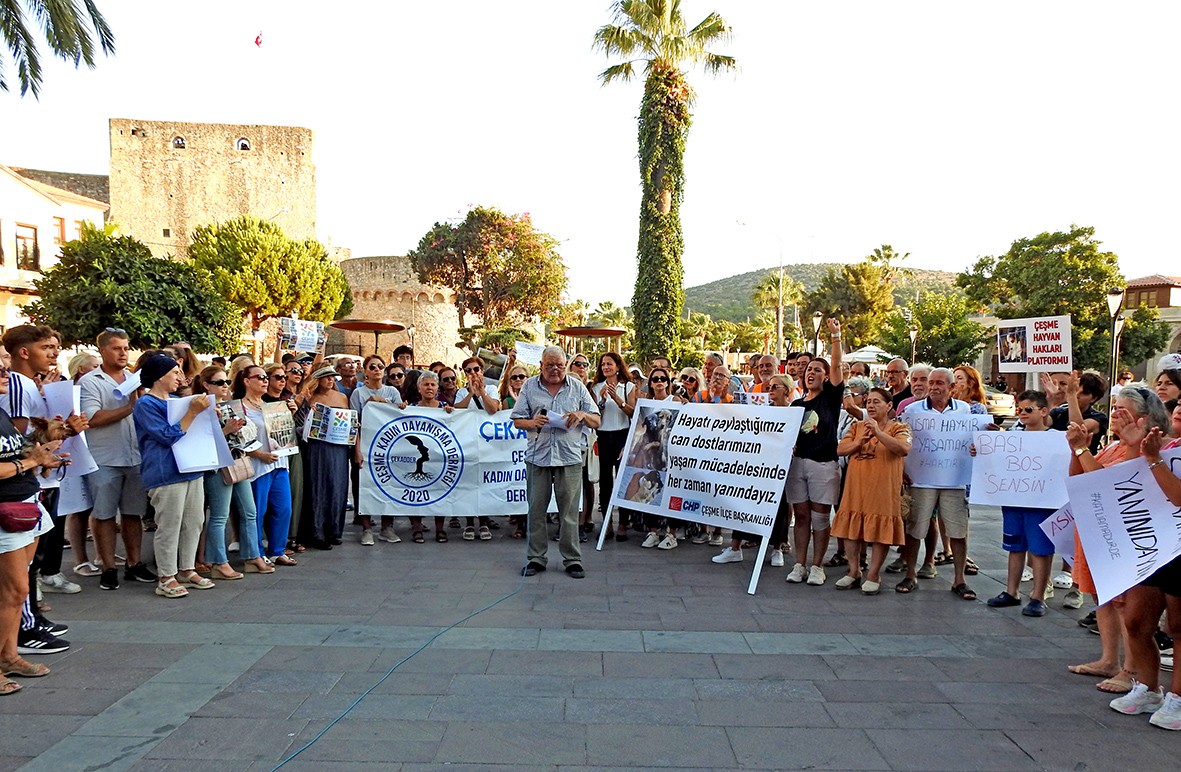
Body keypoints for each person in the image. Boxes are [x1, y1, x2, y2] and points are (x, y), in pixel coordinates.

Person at [1066, 385, 1170, 694]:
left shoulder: (1146, 447)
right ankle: (1109, 658)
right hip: (1101, 533)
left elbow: (1109, 483)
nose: (1115, 415)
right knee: (1105, 598)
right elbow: (1080, 478)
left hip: (1127, 537)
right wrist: (1078, 449)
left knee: (1128, 606)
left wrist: (1083, 451)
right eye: (1115, 409)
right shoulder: (1113, 445)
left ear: (1144, 417)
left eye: (1123, 410)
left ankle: (1132, 669)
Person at [1106, 413, 1181, 728]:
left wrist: (1151, 457)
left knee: (1179, 627)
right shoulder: (1170, 445)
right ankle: (1148, 688)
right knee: (1136, 620)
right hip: (1156, 544)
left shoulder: (1162, 452)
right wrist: (1137, 448)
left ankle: (1178, 698)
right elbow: (1135, 483)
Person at [0, 359, 68, 689]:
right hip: (6, 512)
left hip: (24, 505)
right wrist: (31, 460)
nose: (5, 372)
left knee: (17, 591)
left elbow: (19, 455)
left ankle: (9, 655)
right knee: (15, 590)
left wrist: (46, 450)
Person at [512, 346, 600, 579]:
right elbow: (517, 420)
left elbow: (597, 420)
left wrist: (582, 415)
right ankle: (536, 558)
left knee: (570, 511)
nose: (555, 370)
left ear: (565, 365)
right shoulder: (530, 386)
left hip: (569, 457)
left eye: (560, 365)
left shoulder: (577, 387)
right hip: (537, 457)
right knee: (536, 509)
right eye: (550, 365)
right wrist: (533, 422)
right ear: (541, 365)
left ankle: (572, 559)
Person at [79, 329, 156, 591]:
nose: (123, 352)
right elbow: (92, 419)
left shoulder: (135, 380)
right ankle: (109, 567)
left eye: (125, 348)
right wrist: (130, 408)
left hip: (135, 455)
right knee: (104, 514)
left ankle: (134, 564)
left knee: (134, 513)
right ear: (102, 350)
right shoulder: (90, 381)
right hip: (104, 457)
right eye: (116, 348)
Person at [132, 353, 213, 599]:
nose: (180, 377)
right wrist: (192, 414)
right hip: (166, 471)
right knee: (170, 524)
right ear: (159, 377)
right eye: (174, 373)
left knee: (194, 520)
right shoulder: (146, 404)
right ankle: (166, 575)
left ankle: (186, 568)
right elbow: (167, 435)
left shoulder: (176, 400)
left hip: (190, 467)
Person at [895, 368, 975, 597]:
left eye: (939, 383)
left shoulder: (964, 410)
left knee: (958, 530)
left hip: (953, 480)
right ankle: (910, 574)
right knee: (914, 529)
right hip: (921, 480)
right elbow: (903, 440)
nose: (933, 387)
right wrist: (901, 469)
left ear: (952, 387)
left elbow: (969, 440)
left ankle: (959, 579)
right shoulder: (912, 411)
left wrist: (981, 441)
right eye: (931, 382)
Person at [830, 387, 912, 594]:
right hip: (856, 486)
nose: (871, 405)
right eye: (869, 401)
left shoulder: (899, 427)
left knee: (880, 530)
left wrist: (877, 433)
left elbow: (903, 449)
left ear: (889, 406)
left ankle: (874, 574)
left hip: (883, 488)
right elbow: (840, 449)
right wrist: (859, 442)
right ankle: (853, 571)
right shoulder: (856, 426)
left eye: (877, 402)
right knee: (851, 529)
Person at [983, 390, 1057, 617]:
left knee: (1040, 549)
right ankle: (1011, 591)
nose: (1023, 414)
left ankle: (1038, 596)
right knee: (1014, 546)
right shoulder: (1013, 435)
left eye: (1028, 410)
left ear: (1043, 411)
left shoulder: (1055, 437)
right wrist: (984, 448)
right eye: (1020, 410)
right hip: (1015, 500)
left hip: (1041, 503)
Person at [193, 366, 271, 579]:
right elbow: (200, 441)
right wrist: (227, 430)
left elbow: (245, 435)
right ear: (206, 385)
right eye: (219, 383)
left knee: (249, 511)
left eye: (226, 381)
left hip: (237, 459)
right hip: (217, 465)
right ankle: (218, 561)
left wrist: (241, 429)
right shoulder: (200, 409)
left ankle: (252, 556)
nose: (225, 386)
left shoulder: (230, 406)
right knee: (219, 515)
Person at [784, 318, 844, 586]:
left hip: (823, 464)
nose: (812, 373)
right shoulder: (795, 404)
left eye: (818, 370)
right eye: (809, 369)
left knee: (820, 515)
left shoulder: (831, 398)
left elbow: (838, 365)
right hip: (798, 465)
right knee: (801, 516)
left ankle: (817, 565)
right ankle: (800, 564)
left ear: (826, 375)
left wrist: (835, 337)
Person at [234, 365, 297, 568]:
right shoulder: (239, 407)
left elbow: (282, 433)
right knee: (257, 511)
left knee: (283, 508)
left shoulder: (273, 405)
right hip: (258, 465)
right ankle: (255, 552)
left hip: (279, 462)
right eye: (259, 377)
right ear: (246, 380)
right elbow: (236, 438)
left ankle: (277, 550)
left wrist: (291, 416)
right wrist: (258, 454)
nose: (264, 380)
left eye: (265, 377)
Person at [350, 354, 403, 545]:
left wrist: (381, 402)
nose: (377, 369)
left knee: (389, 485)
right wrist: (357, 450)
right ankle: (366, 528)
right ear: (366, 371)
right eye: (372, 367)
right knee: (364, 486)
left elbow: (399, 416)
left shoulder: (392, 391)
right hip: (366, 445)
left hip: (388, 447)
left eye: (380, 366)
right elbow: (354, 423)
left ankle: (387, 527)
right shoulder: (358, 393)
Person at [298, 366, 351, 550]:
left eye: (332, 377)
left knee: (337, 486)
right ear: (318, 379)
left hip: (339, 447)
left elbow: (351, 422)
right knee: (319, 485)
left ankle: (334, 529)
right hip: (317, 446)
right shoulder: (310, 396)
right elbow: (301, 422)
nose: (330, 381)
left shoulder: (342, 397)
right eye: (326, 377)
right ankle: (316, 531)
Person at [398, 370, 453, 543]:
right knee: (415, 490)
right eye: (426, 384)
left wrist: (452, 414)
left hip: (439, 457)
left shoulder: (445, 408)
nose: (429, 388)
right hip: (416, 454)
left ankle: (440, 529)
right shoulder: (411, 408)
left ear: (437, 388)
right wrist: (399, 410)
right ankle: (417, 528)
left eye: (433, 384)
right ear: (419, 388)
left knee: (440, 491)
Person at [590, 352, 638, 541]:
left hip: (621, 435)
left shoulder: (628, 386)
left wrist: (617, 398)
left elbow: (632, 412)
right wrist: (602, 400)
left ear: (618, 367)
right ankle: (607, 522)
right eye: (603, 365)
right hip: (604, 435)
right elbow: (594, 414)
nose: (606, 367)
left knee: (622, 481)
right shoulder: (596, 387)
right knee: (605, 481)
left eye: (609, 364)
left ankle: (623, 523)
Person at [454, 356, 501, 541]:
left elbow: (493, 409)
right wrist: (470, 393)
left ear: (482, 371)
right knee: (468, 481)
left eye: (476, 369)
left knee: (483, 481)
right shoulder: (460, 392)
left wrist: (481, 392)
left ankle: (483, 521)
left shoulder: (491, 389)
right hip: (467, 441)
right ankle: (469, 522)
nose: (473, 373)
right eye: (468, 370)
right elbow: (458, 409)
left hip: (486, 442)